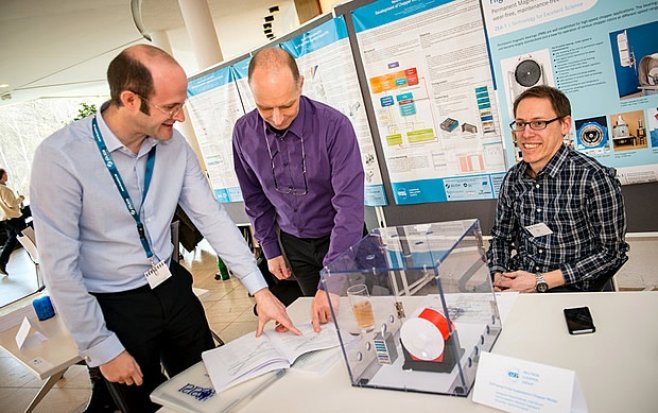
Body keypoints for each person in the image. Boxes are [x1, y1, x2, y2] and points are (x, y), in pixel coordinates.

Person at [30, 44, 299, 413]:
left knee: (211, 387)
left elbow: (211, 217)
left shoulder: (174, 147)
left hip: (170, 286)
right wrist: (100, 346)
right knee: (145, 404)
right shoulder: (61, 158)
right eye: (171, 107)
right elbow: (59, 265)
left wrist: (260, 290)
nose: (181, 116)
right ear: (130, 100)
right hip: (115, 304)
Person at [232, 48, 365, 332]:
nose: (277, 118)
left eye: (287, 105)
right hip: (295, 245)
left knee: (359, 321)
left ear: (300, 84)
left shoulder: (335, 126)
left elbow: (349, 206)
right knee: (322, 325)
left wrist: (333, 280)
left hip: (341, 238)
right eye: (265, 108)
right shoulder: (243, 133)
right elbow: (254, 198)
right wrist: (271, 249)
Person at [487, 85, 629, 293]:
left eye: (538, 123)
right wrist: (497, 274)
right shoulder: (512, 179)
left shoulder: (594, 178)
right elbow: (501, 237)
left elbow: (612, 253)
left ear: (565, 125)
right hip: (520, 283)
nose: (526, 134)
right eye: (520, 124)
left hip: (572, 289)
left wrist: (540, 281)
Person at [0, 168, 27, 276]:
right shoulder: (4, 189)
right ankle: (38, 258)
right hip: (15, 218)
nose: (7, 175)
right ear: (2, 176)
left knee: (12, 240)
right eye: (6, 173)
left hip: (5, 219)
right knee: (27, 237)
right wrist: (21, 198)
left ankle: (1, 262)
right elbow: (11, 203)